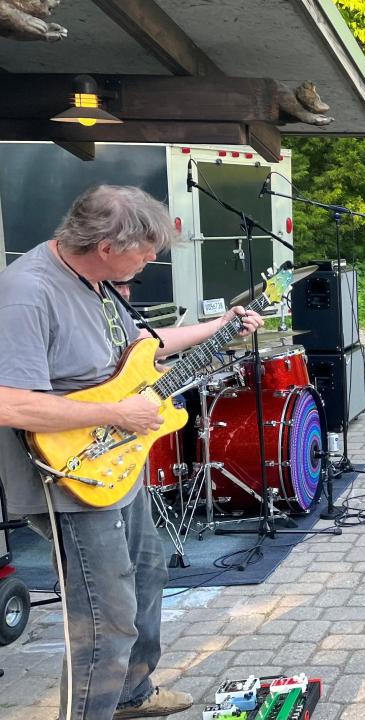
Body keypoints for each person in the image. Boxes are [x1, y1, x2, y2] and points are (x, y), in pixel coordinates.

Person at [0, 185, 264, 719]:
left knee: (148, 572)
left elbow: (143, 348)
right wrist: (116, 414)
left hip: (120, 460)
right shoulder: (27, 292)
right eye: (144, 250)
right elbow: (8, 404)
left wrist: (222, 327)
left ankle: (132, 696)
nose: (151, 260)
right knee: (106, 617)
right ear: (105, 245)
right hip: (68, 477)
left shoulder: (97, 282)